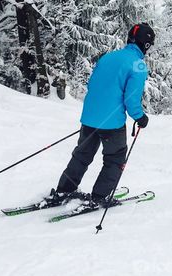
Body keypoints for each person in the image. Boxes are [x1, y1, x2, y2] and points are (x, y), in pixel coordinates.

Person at [50, 23, 155, 207]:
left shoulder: (108, 57)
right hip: (112, 124)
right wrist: (140, 117)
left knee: (81, 156)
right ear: (146, 45)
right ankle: (100, 197)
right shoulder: (138, 65)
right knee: (115, 158)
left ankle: (63, 190)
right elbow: (131, 100)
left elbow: (93, 85)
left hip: (89, 118)